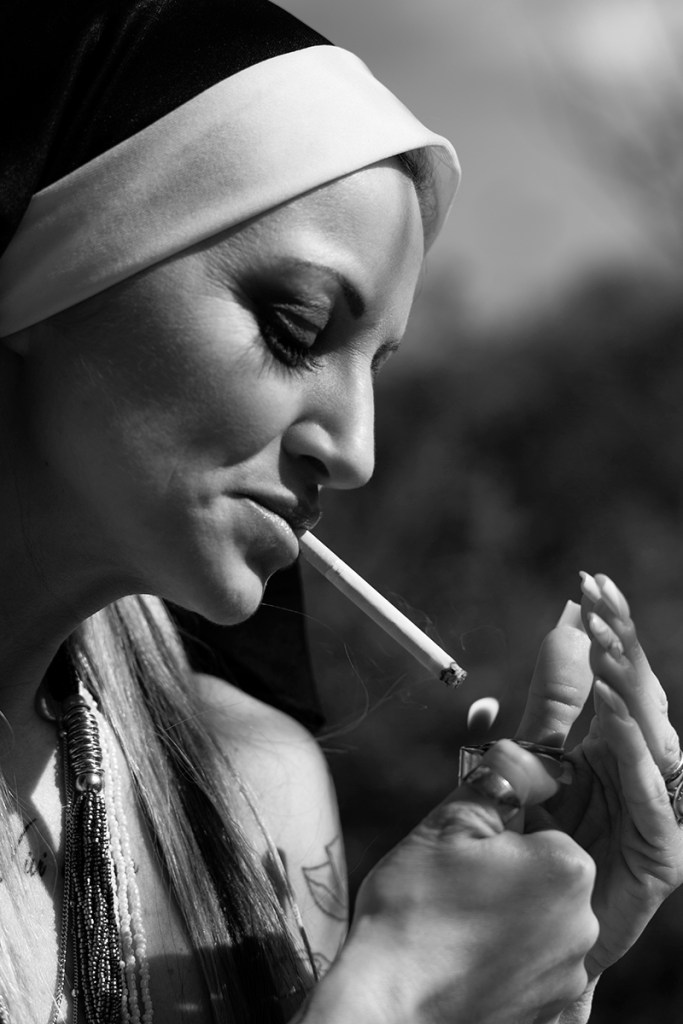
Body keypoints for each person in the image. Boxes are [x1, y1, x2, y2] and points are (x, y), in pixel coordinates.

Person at [0, 1, 681, 1022]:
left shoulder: (252, 800)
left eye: (378, 369)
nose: (355, 452)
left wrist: (512, 991)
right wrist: (402, 996)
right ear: (43, 271)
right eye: (297, 327)